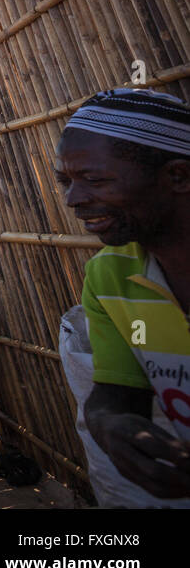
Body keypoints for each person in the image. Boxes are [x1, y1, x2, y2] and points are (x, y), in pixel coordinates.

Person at [56, 88, 190, 500]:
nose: (73, 199)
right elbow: (118, 390)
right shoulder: (110, 277)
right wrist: (108, 421)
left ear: (178, 176)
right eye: (67, 181)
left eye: (94, 180)